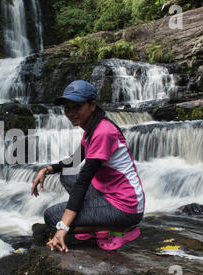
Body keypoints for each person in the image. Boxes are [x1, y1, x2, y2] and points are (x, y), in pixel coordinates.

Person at [31, 80, 145, 253]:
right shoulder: (92, 128)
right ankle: (95, 223)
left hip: (126, 206)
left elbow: (83, 182)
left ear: (92, 105)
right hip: (109, 193)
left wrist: (62, 228)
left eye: (77, 107)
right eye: (67, 108)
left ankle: (121, 229)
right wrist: (47, 170)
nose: (71, 113)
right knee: (67, 175)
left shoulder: (103, 132)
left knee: (52, 218)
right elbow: (75, 159)